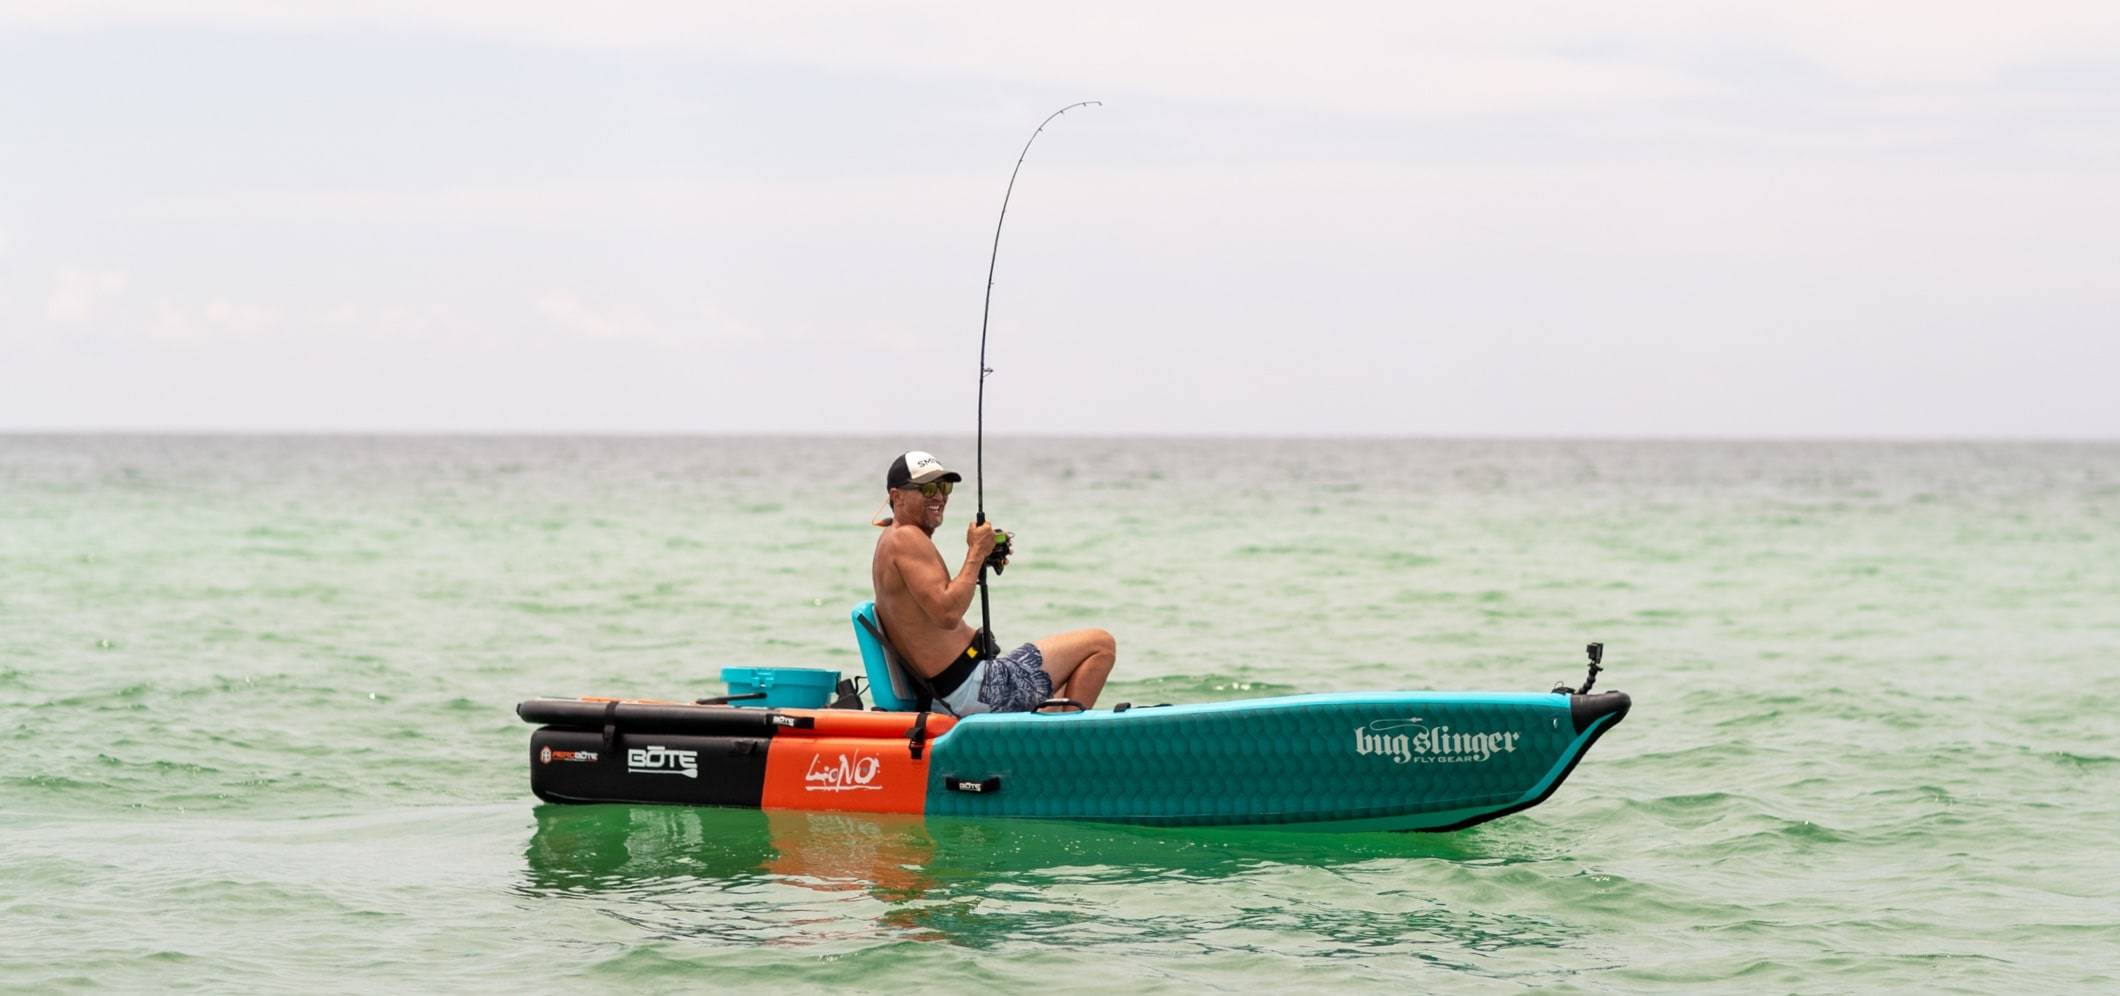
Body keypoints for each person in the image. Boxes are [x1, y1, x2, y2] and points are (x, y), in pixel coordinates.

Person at [870, 450, 1116, 714]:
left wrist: (982, 556)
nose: (940, 496)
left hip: (958, 688)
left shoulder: (892, 539)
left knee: (1061, 696)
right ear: (897, 497)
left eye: (944, 486)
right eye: (928, 488)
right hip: (976, 689)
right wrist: (976, 552)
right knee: (1100, 645)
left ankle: (1050, 741)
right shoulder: (905, 537)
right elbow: (947, 613)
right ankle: (1070, 741)